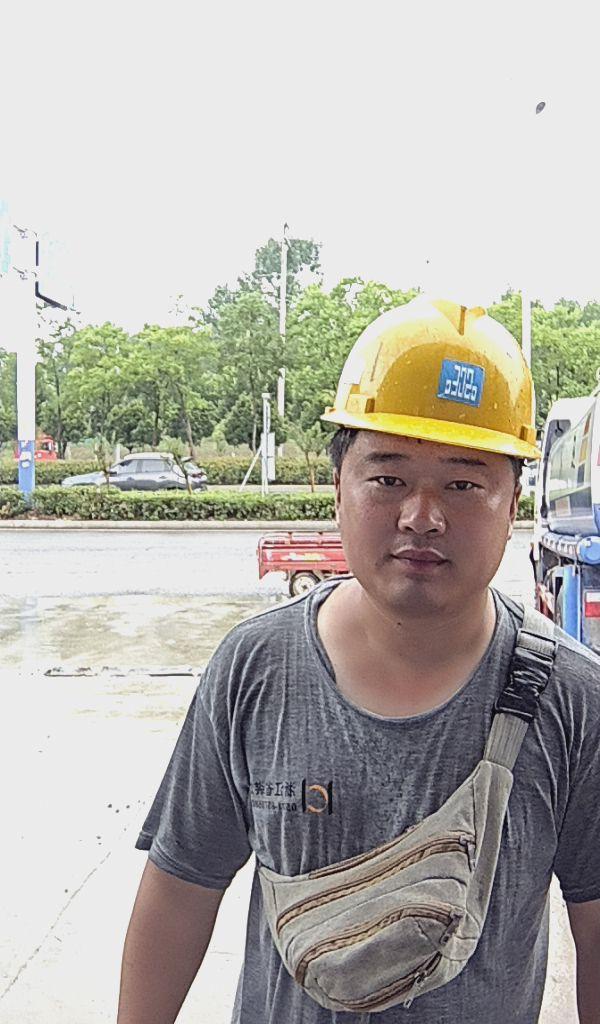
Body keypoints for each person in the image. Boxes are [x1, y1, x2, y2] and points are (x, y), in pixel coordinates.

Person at [118, 296, 600, 1024]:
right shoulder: (257, 668)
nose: (421, 516)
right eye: (388, 478)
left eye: (465, 483)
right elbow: (181, 888)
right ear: (338, 486)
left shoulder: (574, 699)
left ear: (511, 505)